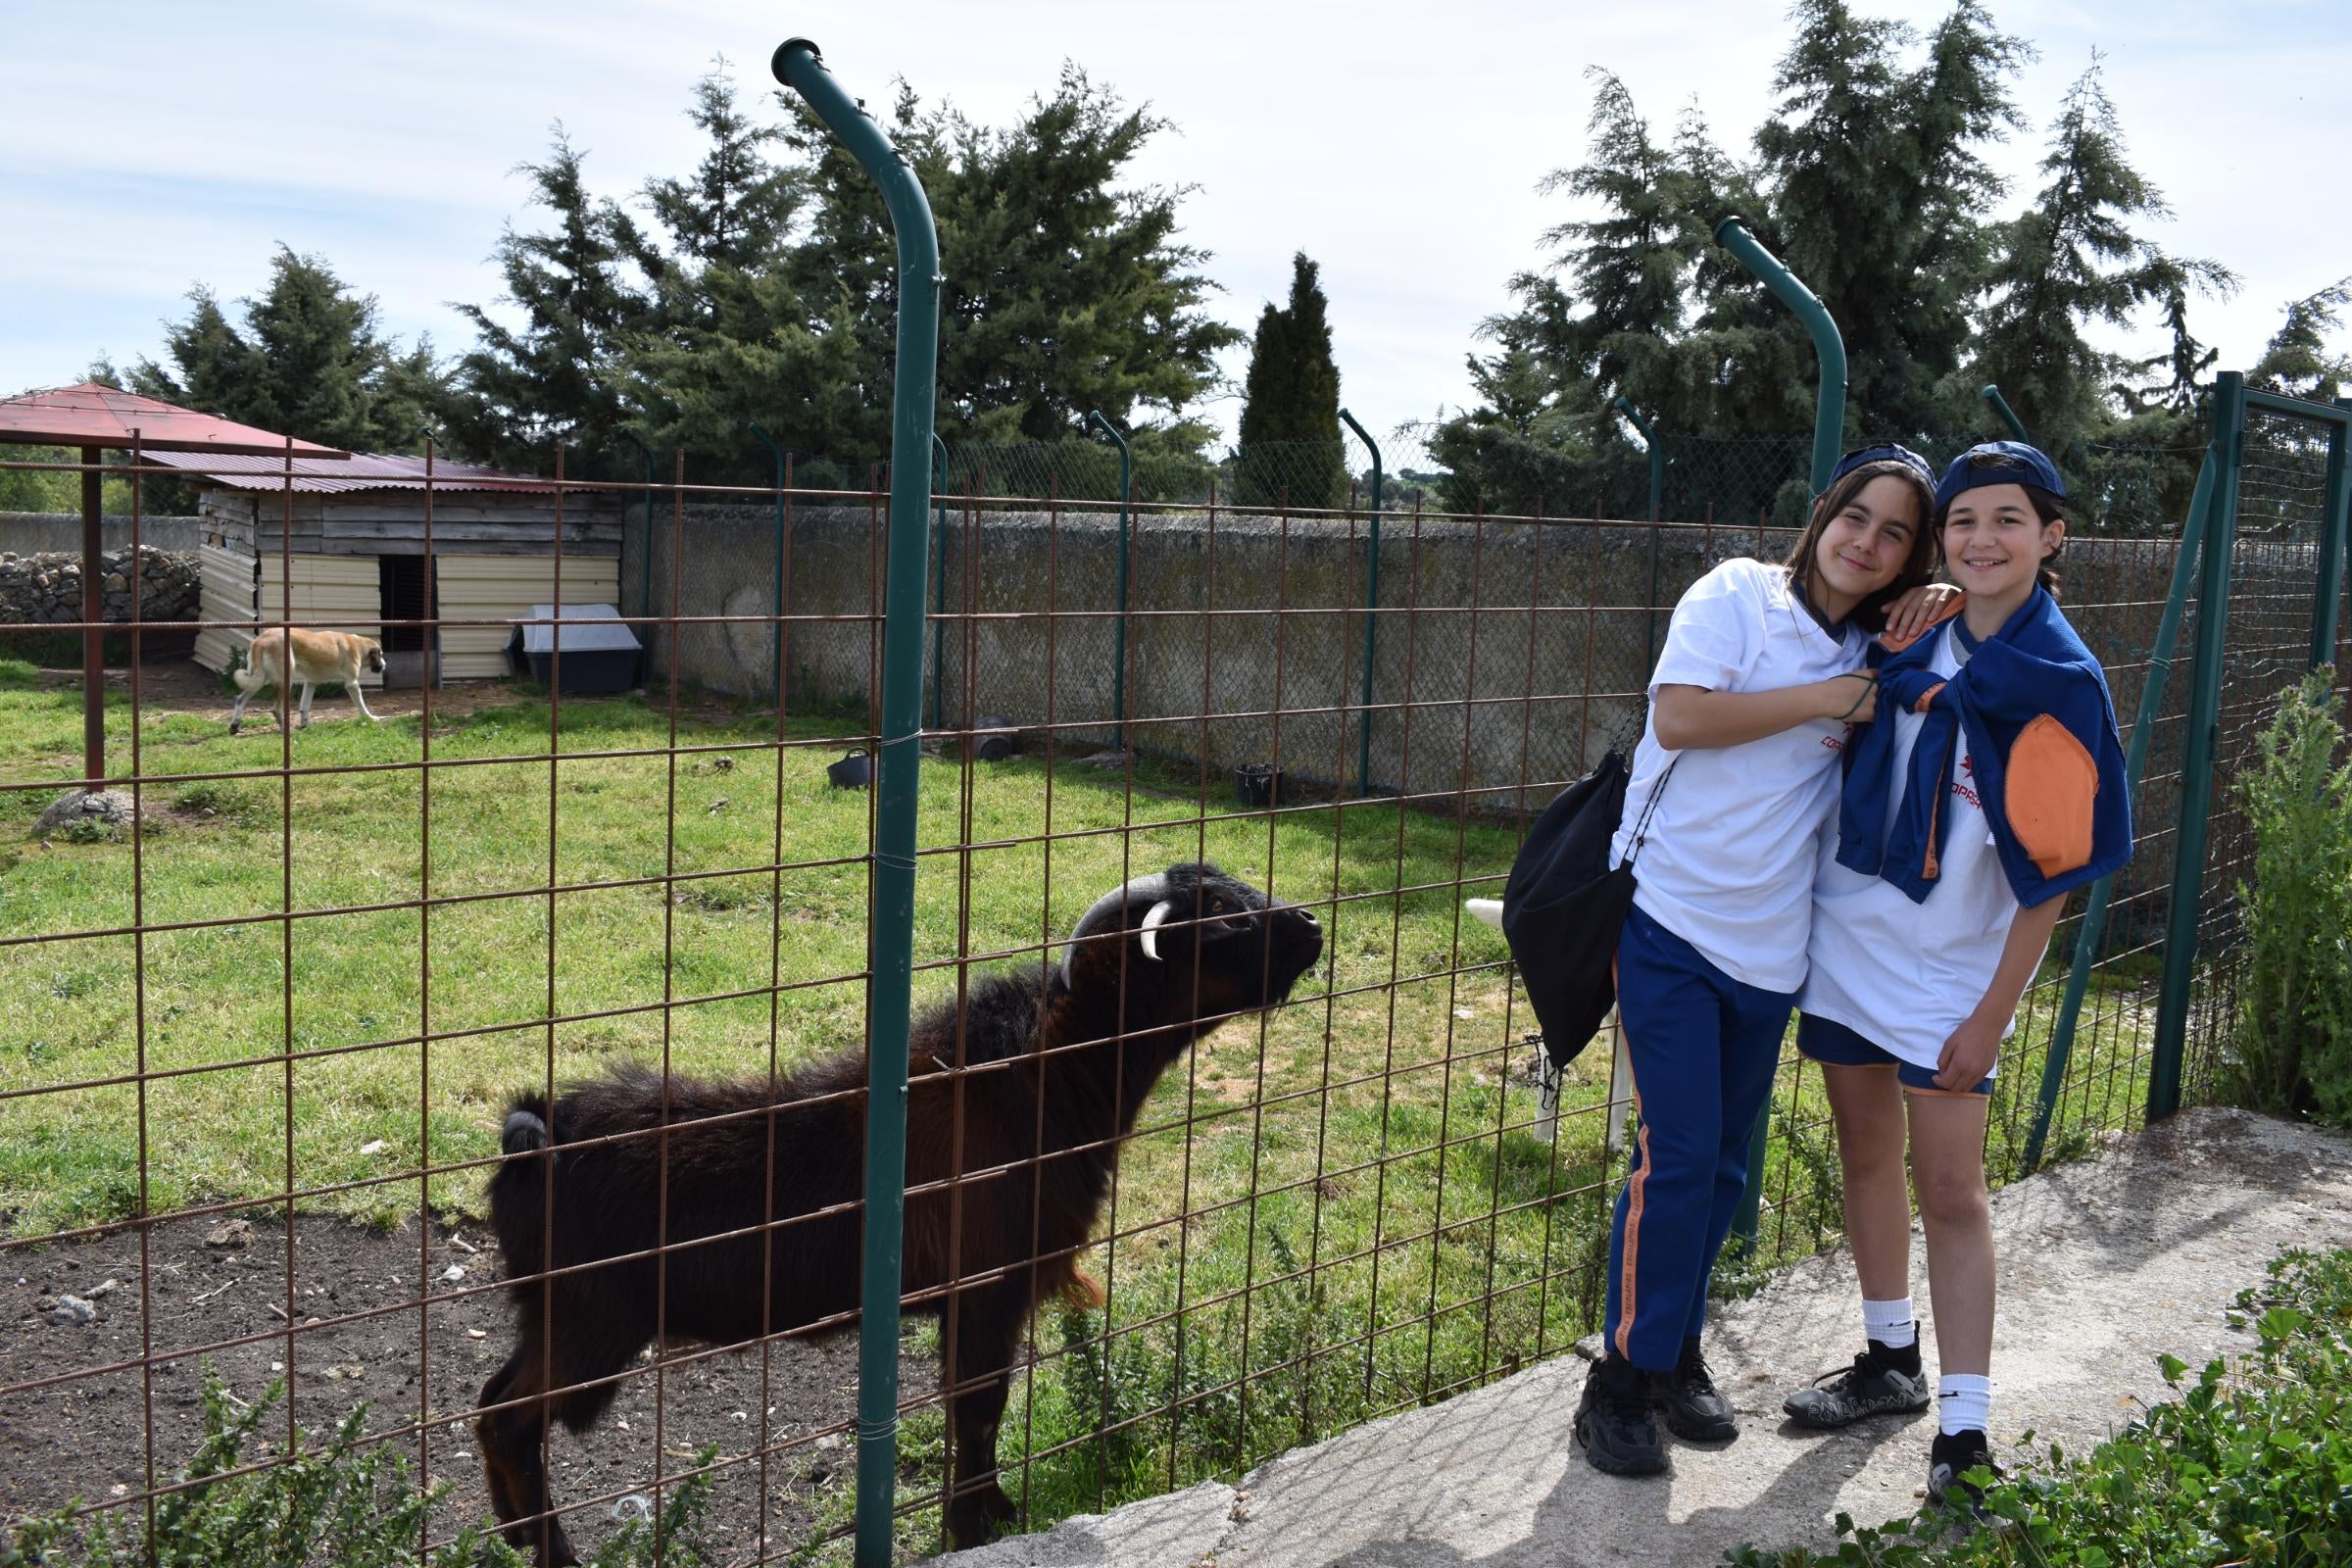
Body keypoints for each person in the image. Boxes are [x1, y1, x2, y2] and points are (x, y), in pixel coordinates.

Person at [1573, 445, 1947, 1477]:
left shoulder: (1884, 640)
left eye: (1895, 535)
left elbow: (1973, 639)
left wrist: (1947, 593)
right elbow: (1681, 715)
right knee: (1678, 1152)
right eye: (1856, 516)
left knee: (1725, 1166)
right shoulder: (1738, 594)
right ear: (1824, 512)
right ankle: (1617, 1380)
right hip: (1670, 922)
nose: (1865, 542)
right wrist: (1830, 697)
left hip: (1772, 949)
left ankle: (1674, 1354)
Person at [1779, 441, 2130, 1510]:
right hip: (1852, 947)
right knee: (1865, 1154)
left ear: (2052, 537)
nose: (1982, 539)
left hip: (1949, 982)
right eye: (1964, 520)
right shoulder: (1913, 635)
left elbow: (2052, 877)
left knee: (1953, 1191)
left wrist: (1993, 1012)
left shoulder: (2061, 679)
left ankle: (1966, 1428)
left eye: (2008, 520)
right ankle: (1889, 1358)